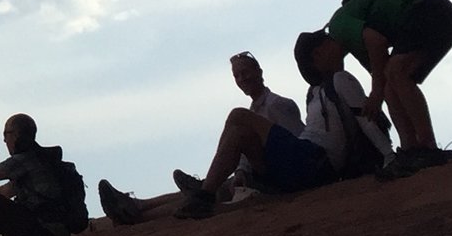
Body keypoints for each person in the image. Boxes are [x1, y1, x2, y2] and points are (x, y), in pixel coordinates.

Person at [168, 38, 393, 218]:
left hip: (316, 161)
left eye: (244, 72)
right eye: (237, 75)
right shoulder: (317, 92)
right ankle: (200, 194)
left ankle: (205, 194)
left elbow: (366, 118)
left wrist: (389, 157)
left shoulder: (335, 82)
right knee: (240, 130)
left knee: (238, 117)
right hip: (306, 163)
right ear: (318, 54)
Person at [304, 0, 452, 167]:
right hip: (430, 16)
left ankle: (428, 146)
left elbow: (376, 41)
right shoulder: (354, 42)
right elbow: (381, 77)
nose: (333, 74)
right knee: (391, 81)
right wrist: (378, 93)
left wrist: (376, 93)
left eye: (323, 70)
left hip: (428, 10)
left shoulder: (338, 26)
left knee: (397, 72)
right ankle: (409, 148)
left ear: (318, 53)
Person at [226, 50, 300, 188]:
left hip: (283, 176)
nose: (242, 79)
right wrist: (241, 170)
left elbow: (296, 143)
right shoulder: (253, 110)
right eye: (237, 76)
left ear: (259, 72)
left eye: (245, 72)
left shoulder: (278, 104)